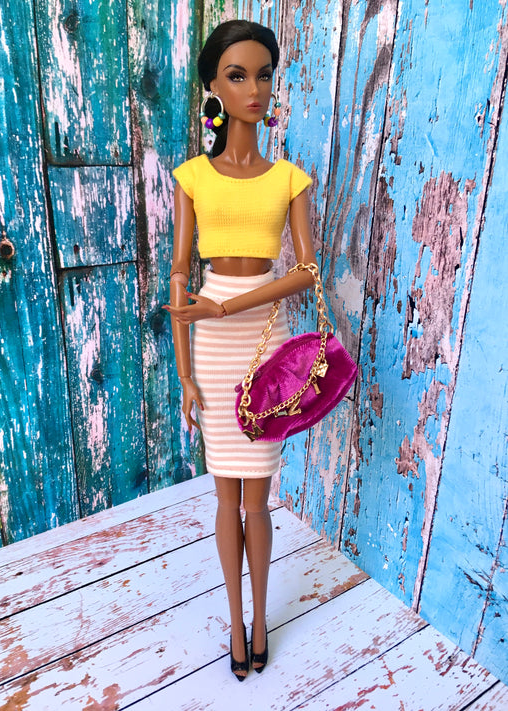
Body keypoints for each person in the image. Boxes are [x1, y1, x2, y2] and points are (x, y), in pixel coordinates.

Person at [163, 19, 317, 681]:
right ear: (213, 87)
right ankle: (235, 621)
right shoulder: (193, 176)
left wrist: (225, 306)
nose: (254, 88)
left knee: (258, 498)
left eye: (263, 74)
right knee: (226, 497)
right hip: (210, 343)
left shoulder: (290, 180)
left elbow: (306, 271)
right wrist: (184, 374)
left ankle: (260, 618)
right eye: (236, 75)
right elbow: (179, 276)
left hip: (261, 339)